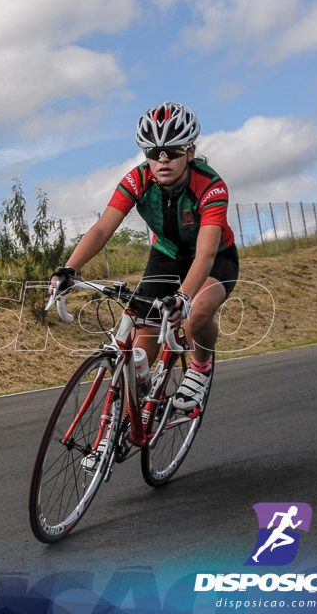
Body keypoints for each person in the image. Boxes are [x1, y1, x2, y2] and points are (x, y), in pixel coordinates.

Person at [50, 101, 238, 411]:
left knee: (198, 312)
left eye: (173, 151)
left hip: (215, 257)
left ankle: (201, 367)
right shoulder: (137, 180)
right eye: (153, 152)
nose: (163, 160)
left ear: (190, 153)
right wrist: (68, 269)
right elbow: (101, 230)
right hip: (165, 256)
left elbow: (204, 253)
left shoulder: (211, 186)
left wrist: (184, 297)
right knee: (140, 348)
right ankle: (124, 424)